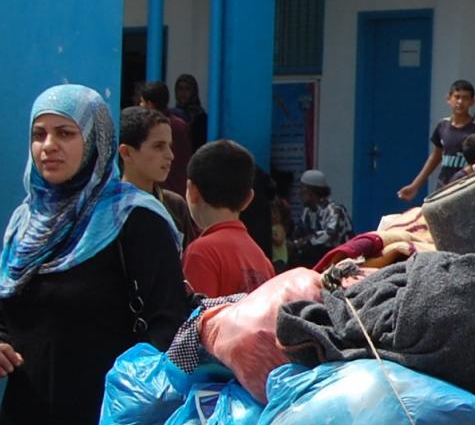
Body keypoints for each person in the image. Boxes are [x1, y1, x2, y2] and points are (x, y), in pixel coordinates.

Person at [0, 85, 195, 425]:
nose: (49, 145)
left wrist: (131, 399)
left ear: (96, 140)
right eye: (39, 134)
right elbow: (0, 311)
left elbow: (168, 320)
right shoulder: (25, 223)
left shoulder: (133, 218)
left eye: (65, 133)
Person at [183, 139, 275, 298]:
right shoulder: (262, 259)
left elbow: (198, 320)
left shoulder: (200, 253)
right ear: (248, 199)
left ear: (192, 191)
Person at [117, 106, 197, 244]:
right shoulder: (107, 208)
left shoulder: (174, 206)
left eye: (169, 146)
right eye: (158, 146)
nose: (170, 156)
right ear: (126, 153)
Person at [399, 79, 475, 201]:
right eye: (457, 97)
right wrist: (415, 185)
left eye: (465, 98)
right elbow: (435, 157)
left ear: (472, 101)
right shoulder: (442, 126)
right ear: (448, 99)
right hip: (444, 187)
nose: (460, 102)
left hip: (469, 188)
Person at [136, 79, 194, 190]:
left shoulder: (149, 128)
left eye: (142, 102)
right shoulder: (180, 125)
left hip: (163, 188)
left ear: (149, 104)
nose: (140, 105)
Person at [291, 170, 351, 267]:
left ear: (312, 191)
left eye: (302, 188)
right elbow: (299, 232)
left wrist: (301, 243)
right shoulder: (307, 212)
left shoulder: (335, 210)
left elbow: (329, 235)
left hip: (338, 261)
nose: (299, 192)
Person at [172, 73, 209, 147]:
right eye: (180, 89)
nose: (183, 93)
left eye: (187, 89)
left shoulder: (201, 116)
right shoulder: (172, 114)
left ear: (194, 92)